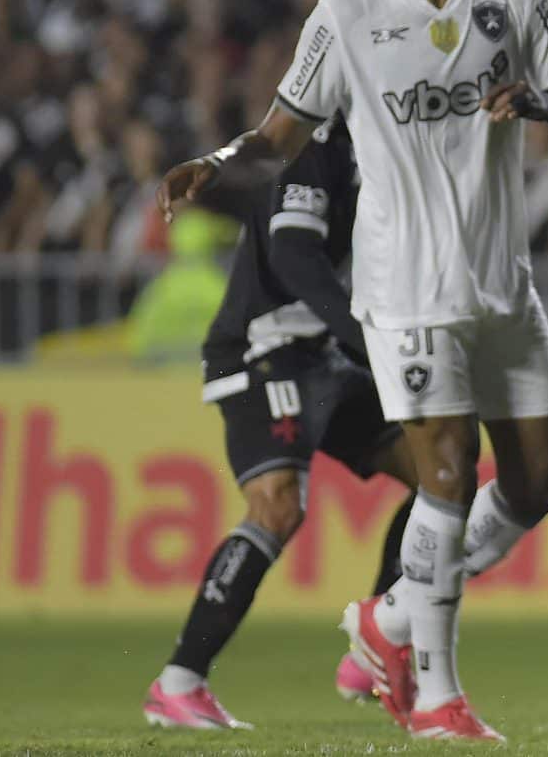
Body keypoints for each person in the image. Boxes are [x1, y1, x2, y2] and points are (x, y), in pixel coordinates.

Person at [158, 0, 548, 742]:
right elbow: (277, 137)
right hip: (404, 291)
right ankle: (437, 700)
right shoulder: (344, 17)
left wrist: (547, 108)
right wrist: (214, 165)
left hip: (502, 289)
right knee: (445, 480)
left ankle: (389, 619)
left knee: (537, 489)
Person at [143, 116, 419, 731]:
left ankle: (376, 637)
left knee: (437, 472)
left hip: (321, 349)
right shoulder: (318, 147)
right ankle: (179, 681)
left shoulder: (385, 146)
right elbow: (294, 256)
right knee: (277, 508)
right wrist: (363, 338)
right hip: (262, 348)